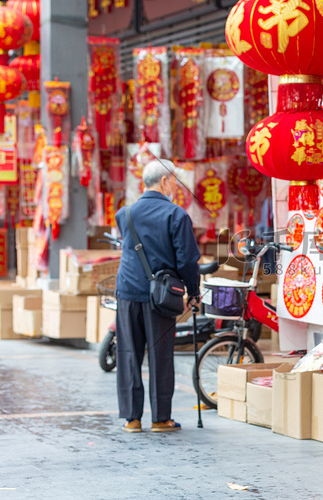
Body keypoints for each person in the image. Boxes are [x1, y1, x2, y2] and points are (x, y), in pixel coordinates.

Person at [114, 160, 201, 433]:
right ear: (164, 182)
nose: (176, 185)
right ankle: (160, 418)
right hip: (161, 297)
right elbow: (187, 260)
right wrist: (194, 292)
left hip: (127, 291)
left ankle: (132, 419)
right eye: (174, 180)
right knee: (160, 355)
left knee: (129, 353)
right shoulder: (177, 215)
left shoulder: (124, 214)